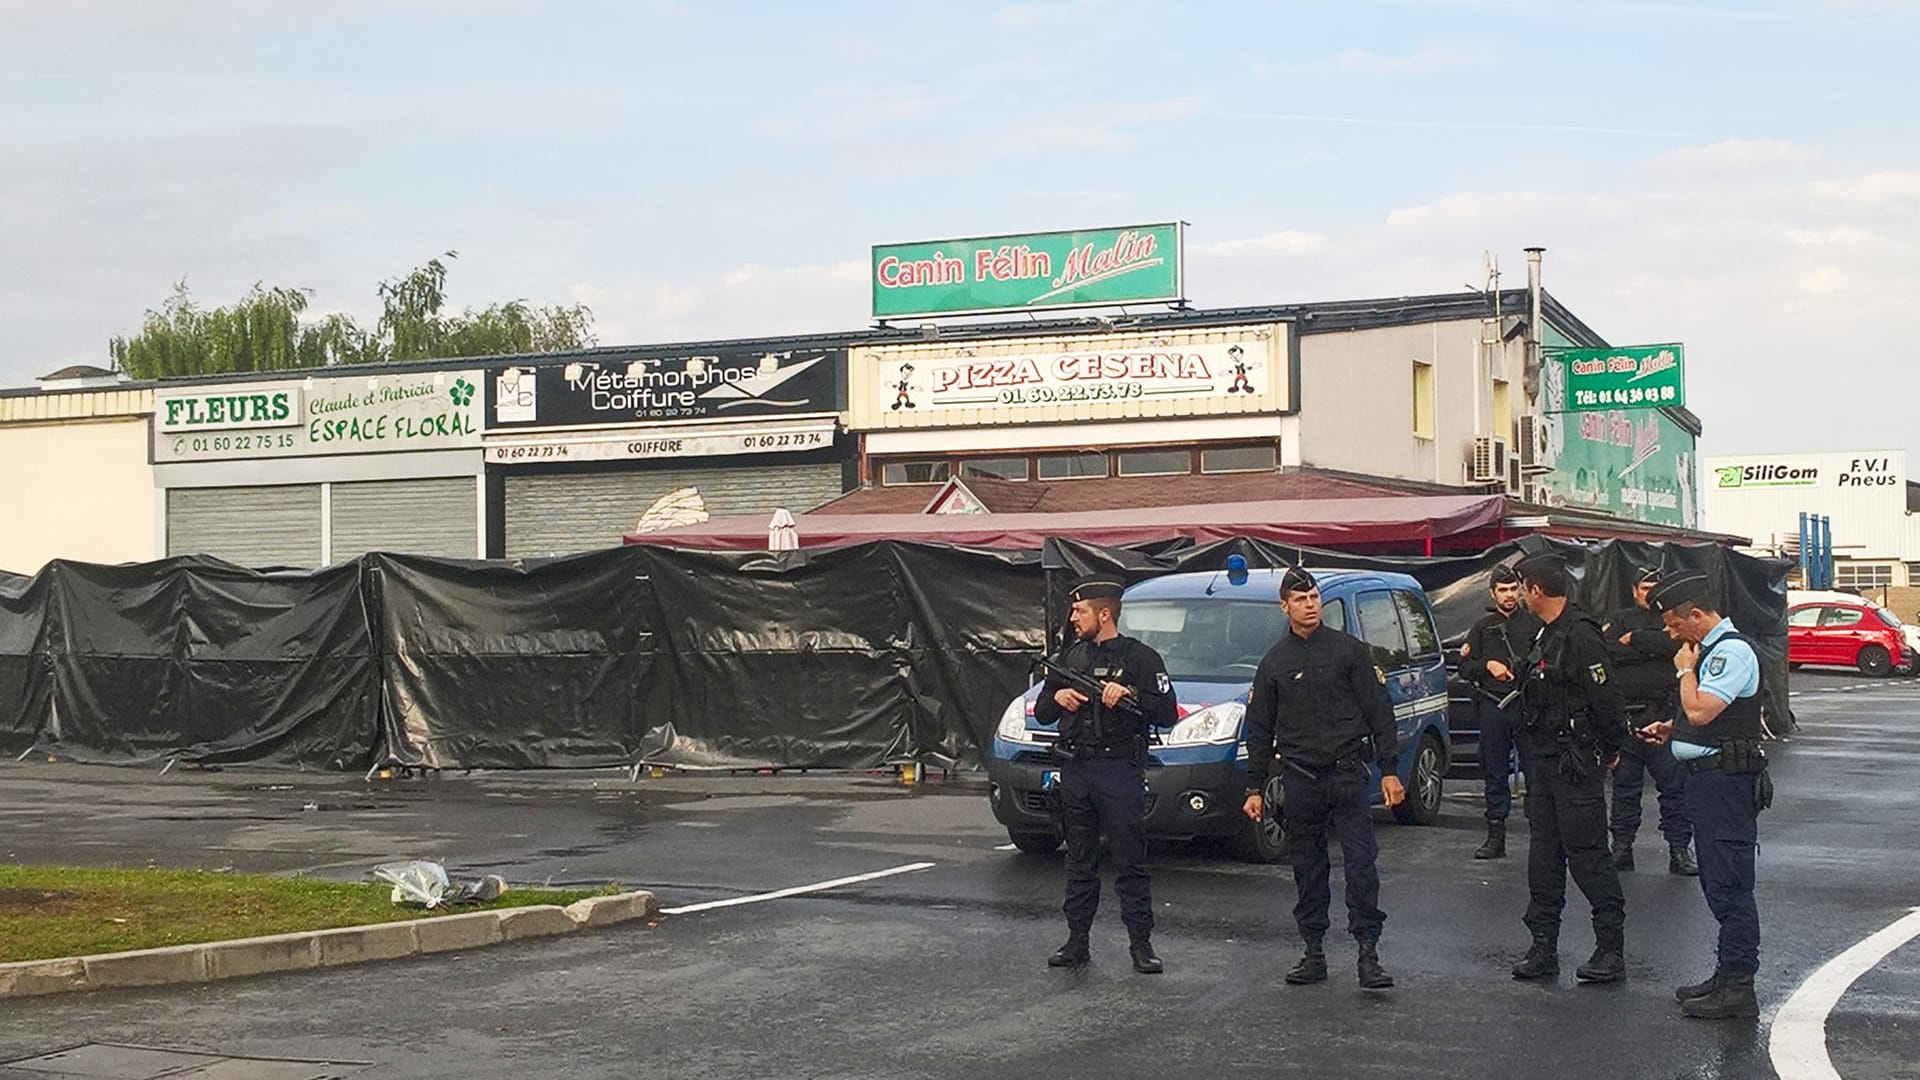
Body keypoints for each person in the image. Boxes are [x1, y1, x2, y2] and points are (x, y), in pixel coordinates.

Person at [1242, 567, 1403, 990]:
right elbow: (1259, 729)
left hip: (1348, 774)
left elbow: (1379, 711)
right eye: (1300, 599)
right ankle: (1313, 951)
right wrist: (1254, 787)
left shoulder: (1348, 651)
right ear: (1285, 606)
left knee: (1361, 865)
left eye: (1313, 597)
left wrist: (1390, 770)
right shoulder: (1275, 662)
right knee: (1308, 870)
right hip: (1300, 779)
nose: (1310, 605)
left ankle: (1368, 953)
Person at [1640, 572, 1770, 1020]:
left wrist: (1684, 670)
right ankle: (1725, 973)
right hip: (1707, 778)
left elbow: (1701, 708)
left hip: (1724, 784)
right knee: (1717, 882)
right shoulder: (1712, 651)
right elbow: (1708, 721)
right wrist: (1674, 731)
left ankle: (1739, 987)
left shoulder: (1730, 652)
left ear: (1697, 615)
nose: (1671, 633)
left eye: (1676, 624)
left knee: (1731, 884)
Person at [1034, 574, 1178, 974]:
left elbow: (1167, 712)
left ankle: (1141, 945)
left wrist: (1130, 695)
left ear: (1104, 613)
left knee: (1129, 860)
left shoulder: (1141, 659)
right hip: (1077, 767)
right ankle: (1076, 941)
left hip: (1119, 769)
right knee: (1079, 861)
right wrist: (1059, 696)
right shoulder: (1069, 658)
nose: (1073, 618)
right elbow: (1044, 708)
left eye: (1079, 611)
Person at [1510, 550, 1629, 984]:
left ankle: (1610, 950)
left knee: (1587, 854)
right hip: (1543, 761)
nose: (1521, 597)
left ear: (1536, 590)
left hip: (1575, 763)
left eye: (1523, 589)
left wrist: (1614, 747)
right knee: (1543, 856)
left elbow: (1606, 698)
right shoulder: (1543, 636)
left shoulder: (1581, 635)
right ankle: (1543, 946)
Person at [1602, 566, 1697, 876]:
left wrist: (1637, 640)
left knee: (1674, 789)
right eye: (1644, 587)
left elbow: (1677, 647)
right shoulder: (1618, 619)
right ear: (1634, 590)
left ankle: (1679, 851)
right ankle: (1621, 849)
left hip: (1665, 715)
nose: (1650, 592)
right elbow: (1607, 650)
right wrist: (1649, 649)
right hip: (1627, 716)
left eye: (1655, 586)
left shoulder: (1671, 620)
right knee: (1624, 789)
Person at [1457, 563, 1541, 860]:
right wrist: (1487, 666)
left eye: (1512, 589)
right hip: (1493, 705)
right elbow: (1464, 668)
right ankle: (1496, 835)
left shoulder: (1535, 624)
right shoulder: (1481, 628)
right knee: (1494, 771)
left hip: (1527, 703)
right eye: (1502, 590)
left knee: (1536, 770)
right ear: (1492, 593)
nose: (1508, 595)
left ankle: (1541, 836)